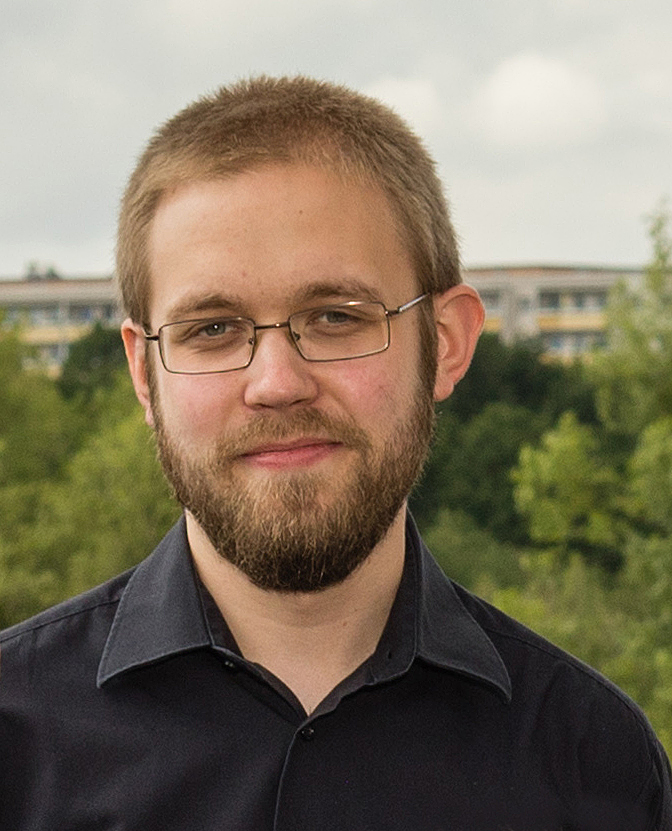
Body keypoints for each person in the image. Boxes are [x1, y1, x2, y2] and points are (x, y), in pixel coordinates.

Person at [0, 76, 670, 831]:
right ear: (142, 372)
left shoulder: (597, 769)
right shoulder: (13, 744)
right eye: (213, 329)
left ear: (446, 343)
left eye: (335, 316)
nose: (277, 384)